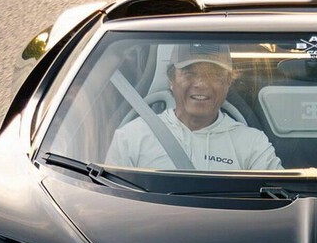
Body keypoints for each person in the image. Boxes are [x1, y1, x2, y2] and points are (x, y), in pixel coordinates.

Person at [107, 43, 282, 170]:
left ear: (228, 82)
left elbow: (276, 201)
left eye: (213, 75)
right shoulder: (131, 137)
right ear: (171, 79)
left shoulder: (253, 144)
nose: (201, 84)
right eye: (189, 73)